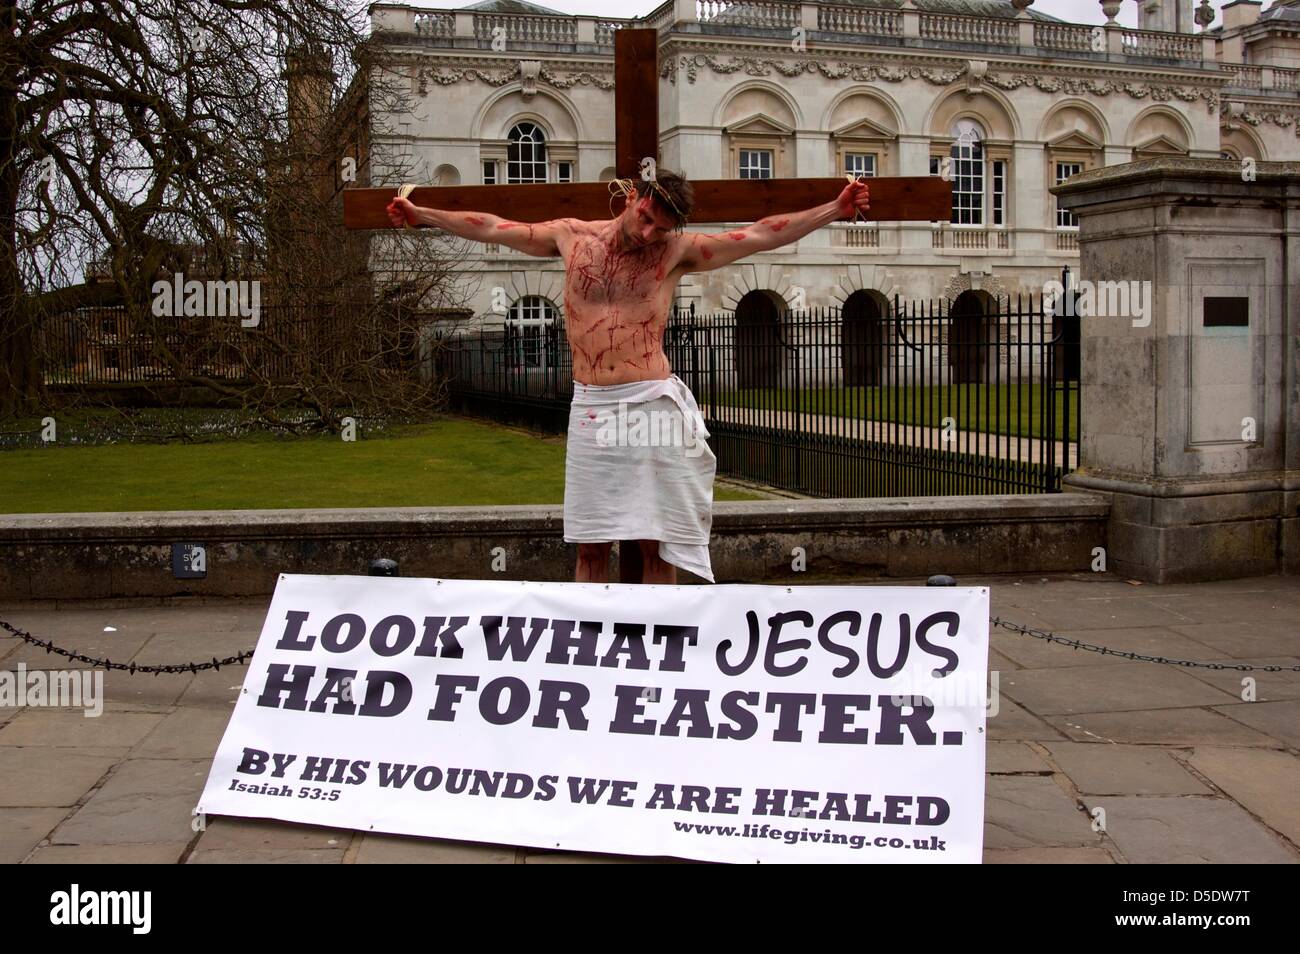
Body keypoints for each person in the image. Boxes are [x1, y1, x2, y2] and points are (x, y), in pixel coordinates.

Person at [387, 170, 870, 585]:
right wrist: (421, 215)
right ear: (637, 199)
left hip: (650, 403)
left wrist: (835, 208)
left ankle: (658, 648)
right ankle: (592, 646)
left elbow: (762, 233)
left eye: (661, 228)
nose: (648, 233)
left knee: (655, 544)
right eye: (647, 218)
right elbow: (493, 226)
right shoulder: (571, 236)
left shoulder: (675, 252)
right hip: (593, 406)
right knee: (591, 543)